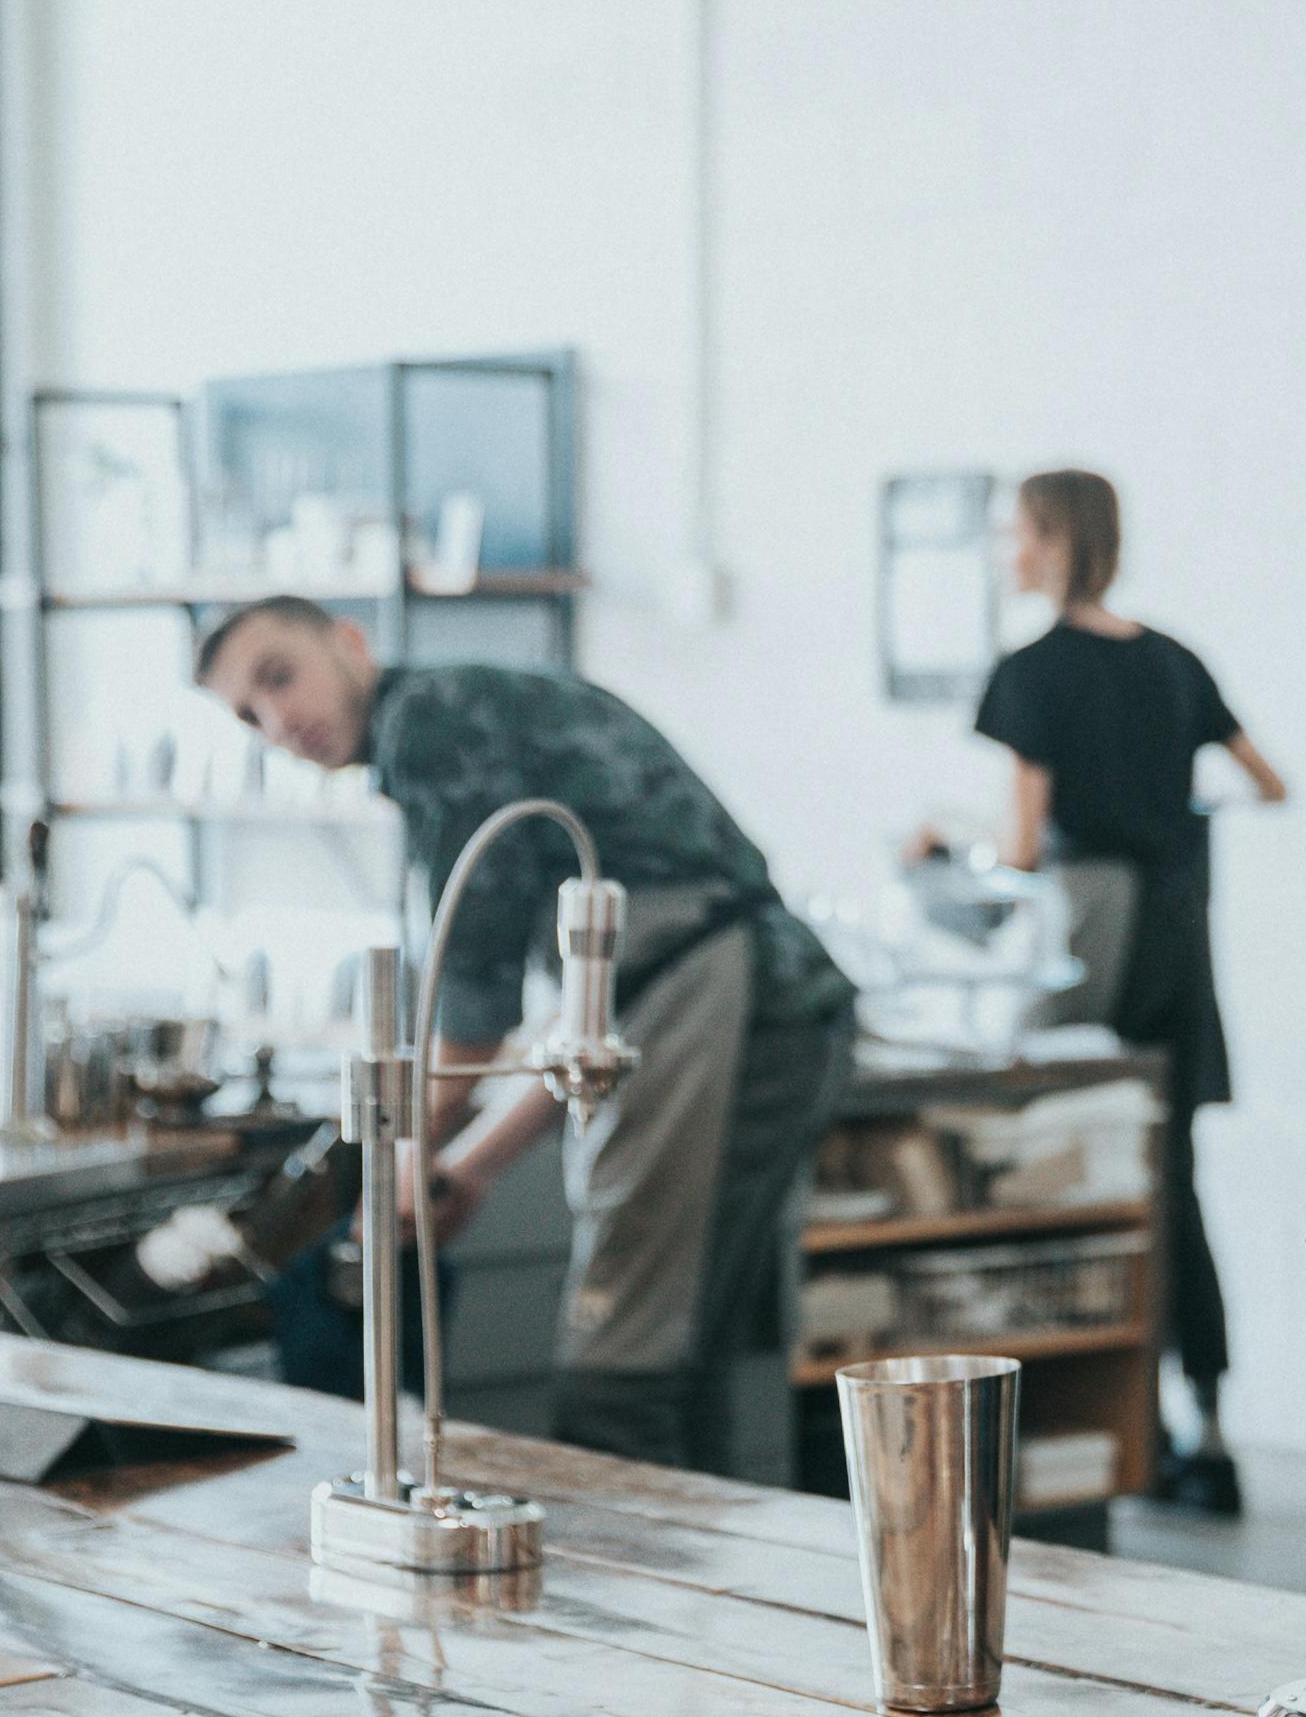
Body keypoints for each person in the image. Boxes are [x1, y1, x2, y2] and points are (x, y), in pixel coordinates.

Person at [197, 598, 858, 1476]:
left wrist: (401, 1158)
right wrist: (467, 1165)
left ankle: (635, 1599)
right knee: (670, 1359)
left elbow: (476, 1007)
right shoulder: (467, 710)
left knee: (621, 1372)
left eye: (279, 677)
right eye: (250, 716)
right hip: (744, 1005)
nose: (278, 722)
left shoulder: (432, 724)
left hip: (735, 1002)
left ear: (349, 643)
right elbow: (591, 1024)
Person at [966, 469, 1286, 1513]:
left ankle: (1081, 1429)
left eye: (1014, 530)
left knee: (1054, 1167)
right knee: (1170, 1178)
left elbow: (1018, 849)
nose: (1004, 547)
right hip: (1176, 934)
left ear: (1054, 540)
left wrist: (945, 847)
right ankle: (1209, 1430)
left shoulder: (1030, 672)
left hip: (1090, 933)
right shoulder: (1173, 660)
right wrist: (1181, 807)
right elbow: (1267, 782)